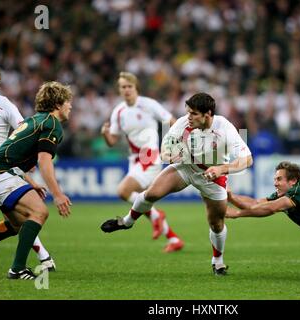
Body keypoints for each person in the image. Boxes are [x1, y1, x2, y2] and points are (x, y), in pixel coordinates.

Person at [101, 92, 253, 275]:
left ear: (208, 114)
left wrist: (221, 169)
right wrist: (173, 155)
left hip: (213, 176)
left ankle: (218, 262)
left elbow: (247, 160)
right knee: (151, 194)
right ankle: (126, 222)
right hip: (186, 167)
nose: (189, 117)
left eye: (194, 113)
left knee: (216, 223)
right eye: (188, 112)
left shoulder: (225, 128)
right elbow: (164, 150)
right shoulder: (183, 123)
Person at [0, 81, 72, 280]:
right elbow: (44, 161)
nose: (71, 107)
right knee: (39, 212)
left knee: (16, 225)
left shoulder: (35, 120)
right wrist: (58, 194)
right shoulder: (52, 124)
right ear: (58, 104)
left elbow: (11, 154)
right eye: (69, 102)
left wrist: (31, 182)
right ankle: (17, 269)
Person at [100, 71, 184, 253]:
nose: (126, 90)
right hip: (134, 159)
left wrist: (174, 145)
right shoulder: (119, 111)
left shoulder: (148, 104)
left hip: (149, 155)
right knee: (141, 201)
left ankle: (156, 215)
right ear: (119, 90)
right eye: (123, 87)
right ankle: (174, 238)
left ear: (135, 87)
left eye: (129, 86)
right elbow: (112, 141)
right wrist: (105, 134)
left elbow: (173, 122)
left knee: (124, 191)